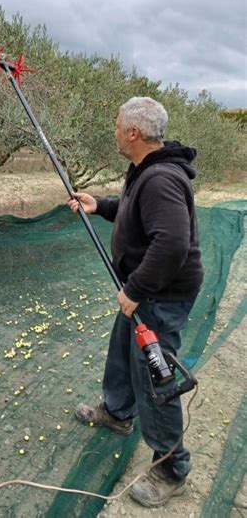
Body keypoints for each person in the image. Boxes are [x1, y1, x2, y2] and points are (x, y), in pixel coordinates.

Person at [68, 96, 204, 508]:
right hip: (147, 291)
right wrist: (101, 206)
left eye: (116, 124)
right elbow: (135, 214)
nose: (114, 130)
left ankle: (171, 468)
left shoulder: (160, 178)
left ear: (133, 132)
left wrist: (135, 289)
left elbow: (172, 244)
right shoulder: (145, 170)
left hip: (161, 295)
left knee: (155, 378)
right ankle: (117, 411)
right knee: (122, 353)